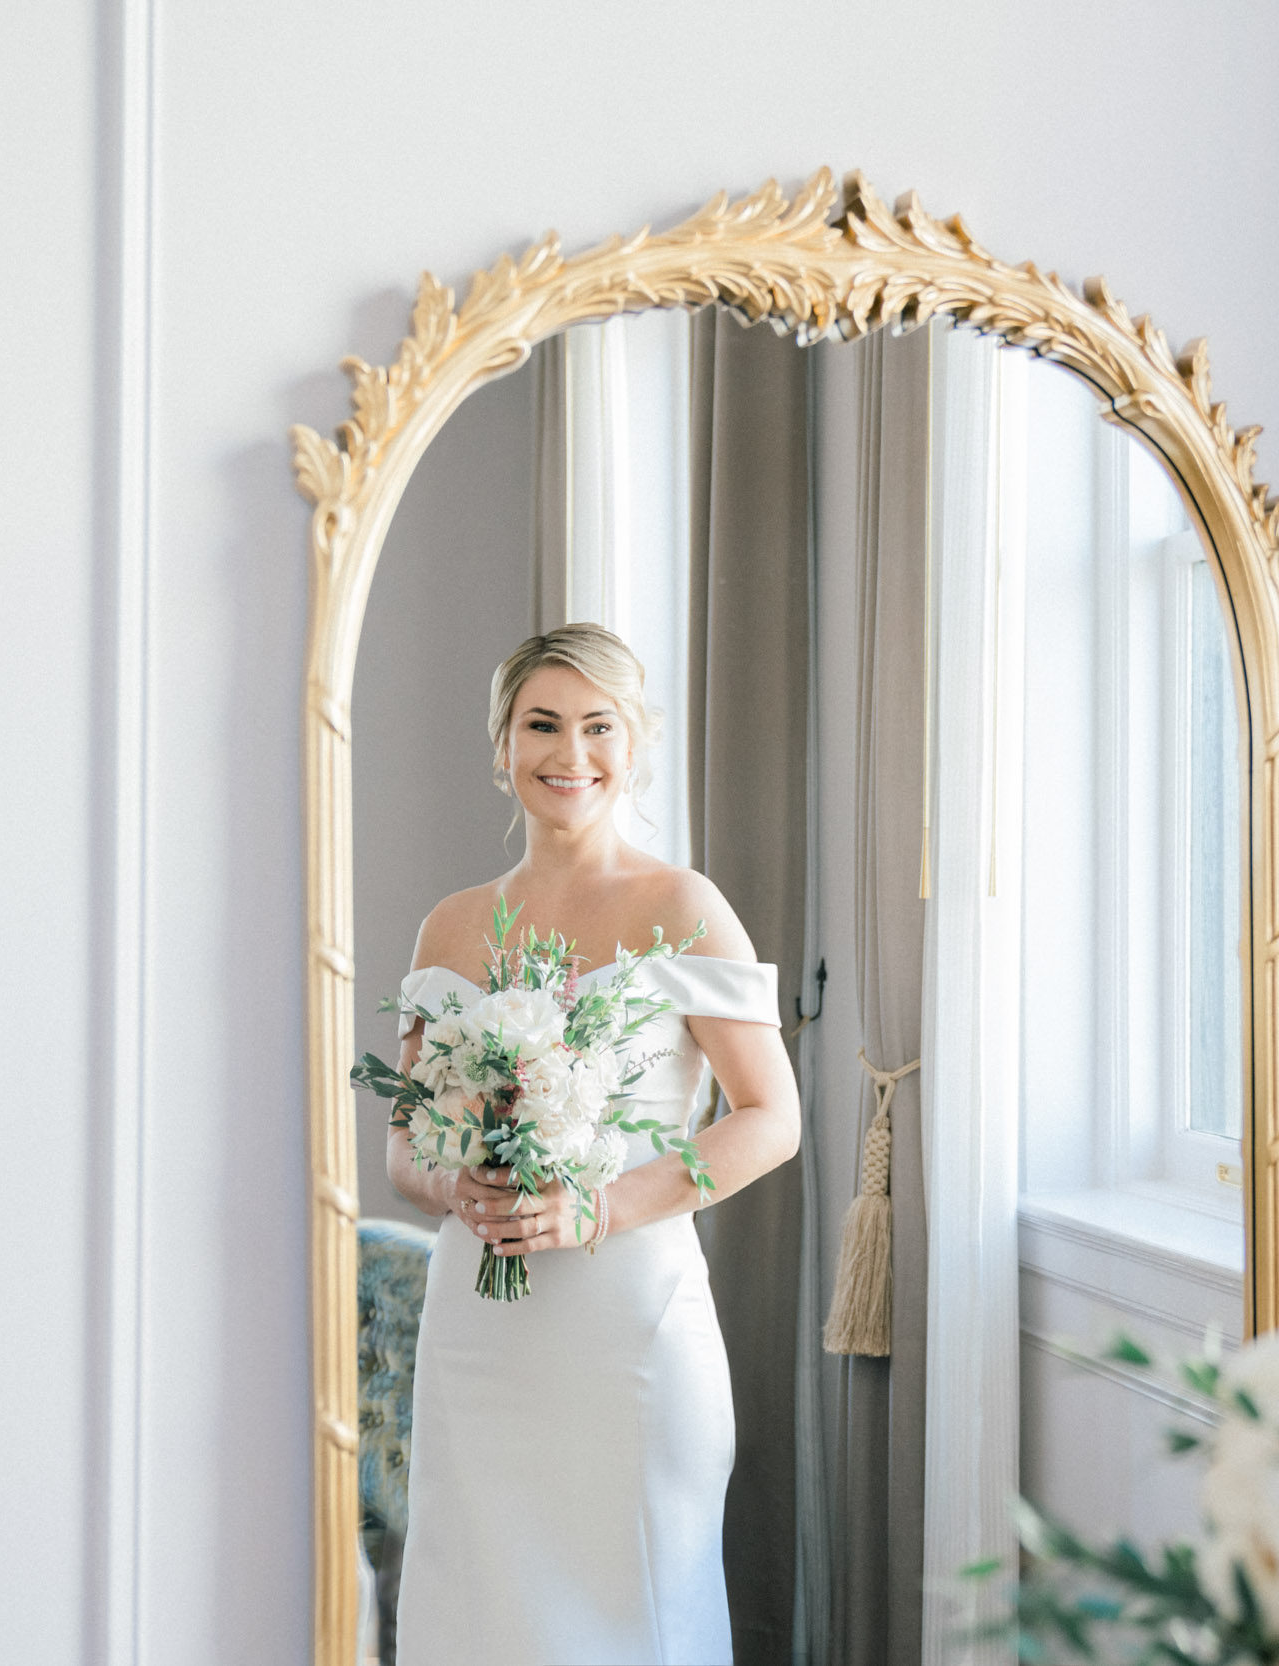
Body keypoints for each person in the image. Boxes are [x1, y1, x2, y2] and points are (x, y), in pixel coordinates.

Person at [387, 624, 800, 1666]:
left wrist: (601, 1205)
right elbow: (402, 1148)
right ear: (501, 745)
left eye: (596, 725)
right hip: (481, 1332)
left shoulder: (682, 906)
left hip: (629, 1331)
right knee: (478, 1607)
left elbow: (770, 1118)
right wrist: (457, 1180)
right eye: (541, 724)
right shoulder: (449, 926)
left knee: (634, 1612)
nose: (568, 751)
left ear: (635, 743)